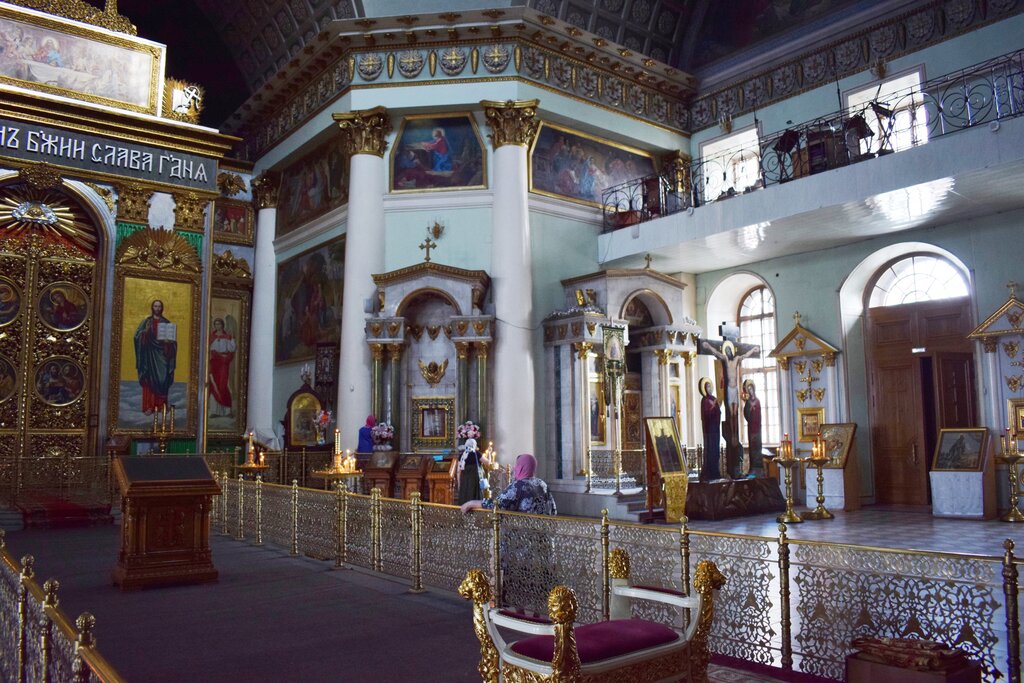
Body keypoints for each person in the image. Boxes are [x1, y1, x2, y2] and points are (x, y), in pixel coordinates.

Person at [460, 453, 556, 515]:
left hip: (523, 537)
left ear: (522, 467)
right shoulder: (542, 483)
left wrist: (471, 503)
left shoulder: (519, 485)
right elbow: (553, 509)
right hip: (543, 536)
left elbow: (497, 504)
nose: (514, 468)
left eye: (517, 465)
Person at [134, 299, 176, 414]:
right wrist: (145, 333)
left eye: (159, 306)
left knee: (163, 379)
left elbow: (173, 343)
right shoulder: (146, 322)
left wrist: (170, 342)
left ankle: (161, 405)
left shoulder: (167, 323)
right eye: (155, 306)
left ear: (162, 308)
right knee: (149, 379)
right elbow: (137, 337)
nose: (157, 308)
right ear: (152, 308)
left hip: (162, 355)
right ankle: (149, 406)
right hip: (149, 355)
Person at [207, 318, 236, 417]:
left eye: (219, 324)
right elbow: (208, 350)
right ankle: (215, 411)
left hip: (223, 363)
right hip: (214, 363)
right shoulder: (211, 337)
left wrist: (231, 338)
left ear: (222, 325)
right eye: (216, 324)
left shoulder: (227, 336)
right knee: (214, 384)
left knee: (222, 385)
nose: (217, 326)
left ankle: (227, 410)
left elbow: (232, 349)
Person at [455, 438, 492, 505]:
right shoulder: (477, 454)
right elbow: (488, 463)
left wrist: (459, 483)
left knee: (465, 497)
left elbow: (458, 471)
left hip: (464, 481)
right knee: (475, 496)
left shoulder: (462, 456)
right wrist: (489, 453)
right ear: (474, 445)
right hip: (475, 480)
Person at [700, 378, 722, 480]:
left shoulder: (714, 399)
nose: (709, 389)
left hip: (715, 429)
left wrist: (717, 407)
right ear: (704, 388)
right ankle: (709, 472)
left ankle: (715, 471)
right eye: (707, 387)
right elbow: (705, 415)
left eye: (710, 386)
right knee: (710, 450)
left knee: (716, 450)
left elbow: (719, 413)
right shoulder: (704, 400)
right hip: (709, 430)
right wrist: (712, 407)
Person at [743, 380, 762, 476]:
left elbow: (759, 414)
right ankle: (753, 467)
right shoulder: (748, 402)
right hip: (751, 428)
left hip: (757, 428)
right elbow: (745, 414)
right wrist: (750, 410)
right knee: (752, 447)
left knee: (758, 447)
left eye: (751, 389)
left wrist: (755, 409)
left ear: (753, 389)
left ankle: (759, 467)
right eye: (748, 389)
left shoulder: (757, 401)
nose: (750, 391)